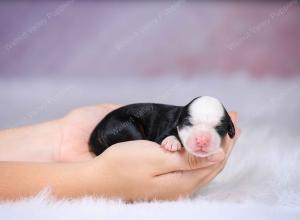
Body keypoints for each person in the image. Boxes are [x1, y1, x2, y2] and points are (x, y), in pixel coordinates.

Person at [0, 104, 240, 201]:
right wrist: (92, 179)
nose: (202, 138)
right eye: (193, 126)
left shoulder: (183, 117)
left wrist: (60, 136)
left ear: (228, 128)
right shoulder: (172, 125)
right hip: (116, 128)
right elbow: (165, 136)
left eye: (216, 128)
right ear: (180, 121)